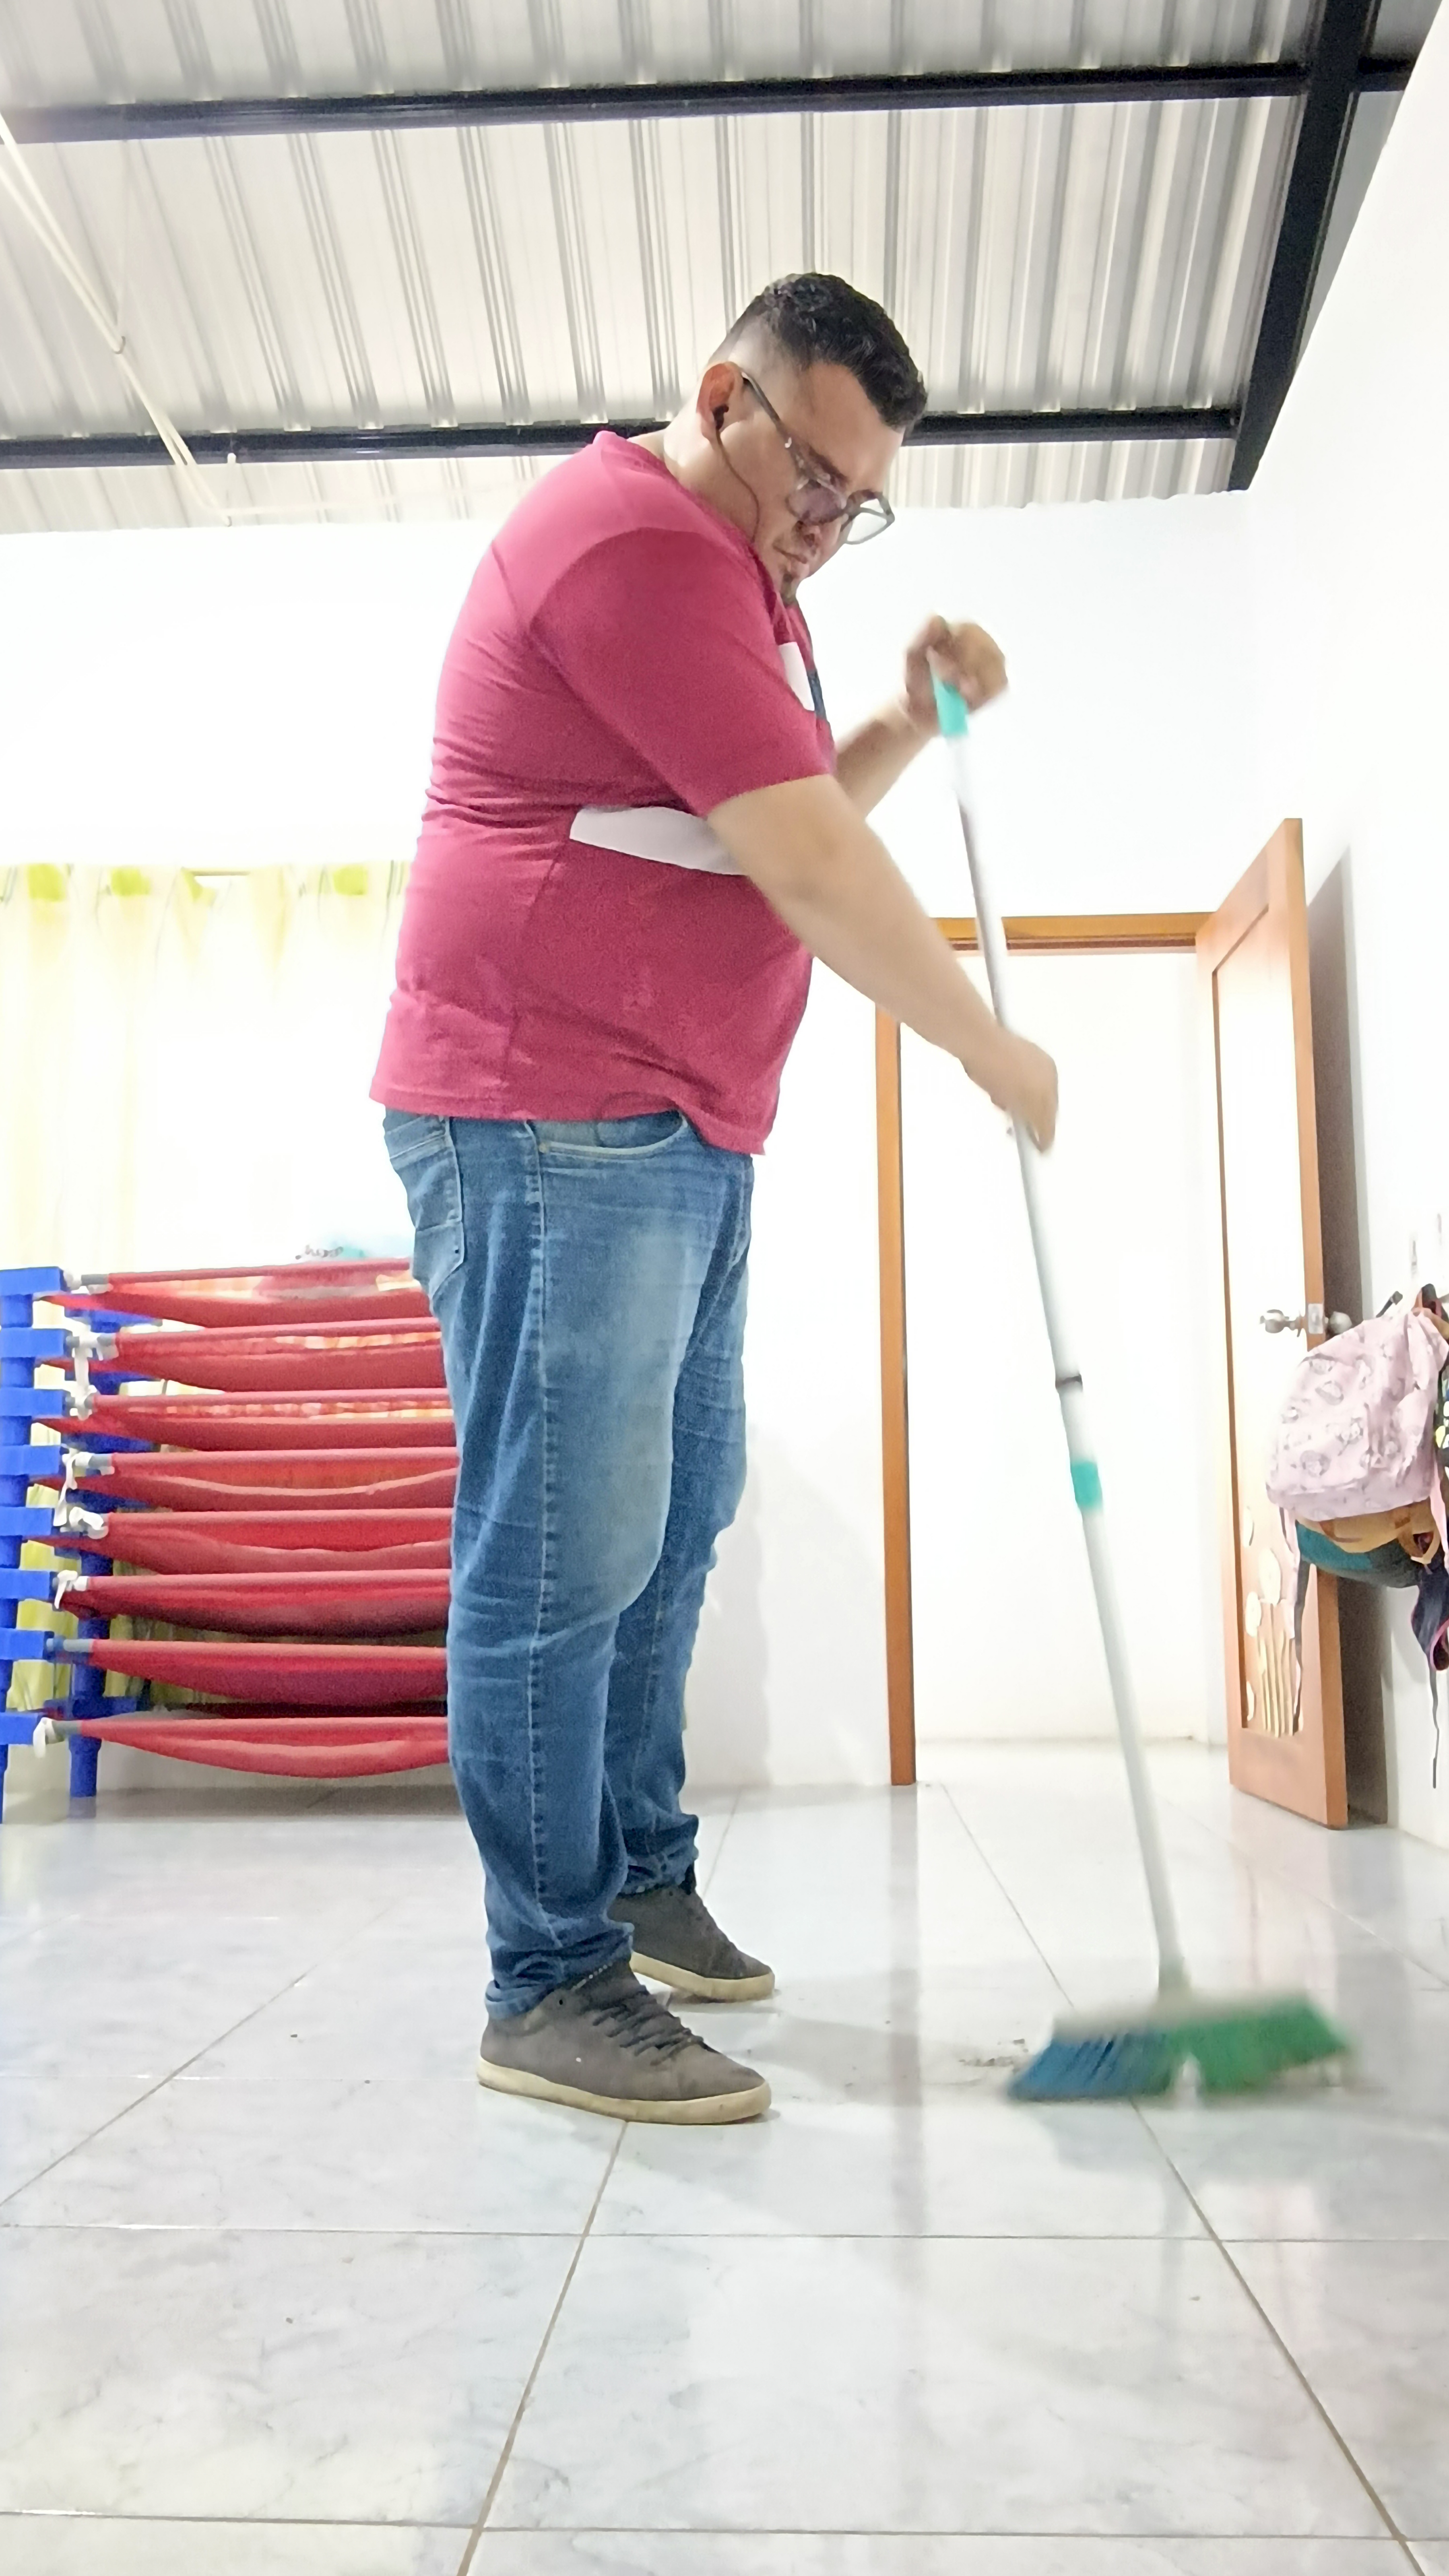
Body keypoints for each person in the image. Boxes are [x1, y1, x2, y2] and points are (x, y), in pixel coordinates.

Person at [374, 272, 1057, 2127]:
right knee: (562, 1547)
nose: (827, 523)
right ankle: (548, 1978)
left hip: (678, 1116)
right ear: (723, 398)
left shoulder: (755, 593)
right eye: (813, 476)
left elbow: (781, 813)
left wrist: (903, 716)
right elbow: (812, 868)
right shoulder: (637, 550)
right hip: (546, 1101)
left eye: (862, 501)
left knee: (676, 1518)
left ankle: (637, 1870)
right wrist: (990, 1048)